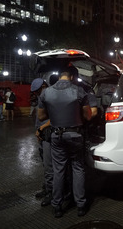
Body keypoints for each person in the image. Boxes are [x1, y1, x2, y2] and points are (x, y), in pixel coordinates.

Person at [38, 66, 92, 218]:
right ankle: (81, 205)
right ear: (73, 77)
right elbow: (88, 116)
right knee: (78, 168)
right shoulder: (79, 91)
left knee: (59, 170)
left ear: (59, 75)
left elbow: (41, 117)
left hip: (56, 135)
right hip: (75, 135)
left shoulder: (46, 92)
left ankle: (57, 206)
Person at [31, 78, 53, 207]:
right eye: (35, 92)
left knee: (49, 165)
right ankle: (46, 188)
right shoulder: (42, 96)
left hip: (48, 134)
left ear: (44, 86)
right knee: (45, 164)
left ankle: (51, 193)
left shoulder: (49, 97)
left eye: (38, 91)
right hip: (42, 135)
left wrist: (41, 129)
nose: (37, 94)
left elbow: (54, 117)